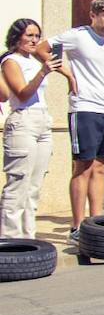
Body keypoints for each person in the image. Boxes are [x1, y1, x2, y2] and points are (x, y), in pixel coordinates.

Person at [44, 0, 104, 243]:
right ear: (93, 15)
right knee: (83, 166)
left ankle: (96, 222)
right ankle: (77, 226)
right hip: (84, 108)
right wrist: (67, 74)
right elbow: (43, 48)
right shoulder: (77, 36)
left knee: (101, 167)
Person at [2, 18, 70, 238]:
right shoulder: (11, 61)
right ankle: (10, 239)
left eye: (36, 35)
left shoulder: (33, 60)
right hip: (23, 121)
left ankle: (28, 238)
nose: (33, 40)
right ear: (17, 37)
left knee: (34, 186)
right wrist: (43, 71)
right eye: (29, 35)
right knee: (18, 183)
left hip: (42, 119)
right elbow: (21, 93)